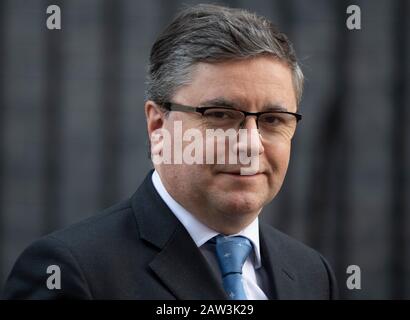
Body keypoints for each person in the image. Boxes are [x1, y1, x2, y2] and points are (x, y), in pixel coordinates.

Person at [2, 4, 338, 300]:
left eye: (273, 119)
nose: (250, 144)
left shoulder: (313, 274)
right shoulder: (70, 272)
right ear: (158, 125)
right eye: (220, 115)